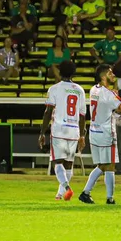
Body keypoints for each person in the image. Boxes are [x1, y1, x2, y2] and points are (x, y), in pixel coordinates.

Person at [80, 64, 121, 205]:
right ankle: (108, 198)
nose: (113, 75)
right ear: (103, 76)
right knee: (110, 165)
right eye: (110, 73)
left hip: (95, 131)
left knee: (103, 165)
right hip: (106, 132)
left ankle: (86, 193)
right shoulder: (108, 93)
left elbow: (111, 108)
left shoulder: (94, 89)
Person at [39, 60, 87, 201]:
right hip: (74, 130)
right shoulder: (79, 90)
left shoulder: (54, 89)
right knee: (68, 164)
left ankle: (67, 188)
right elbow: (82, 116)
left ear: (60, 72)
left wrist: (42, 132)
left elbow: (48, 112)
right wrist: (82, 136)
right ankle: (59, 195)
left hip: (59, 129)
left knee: (58, 162)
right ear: (73, 73)